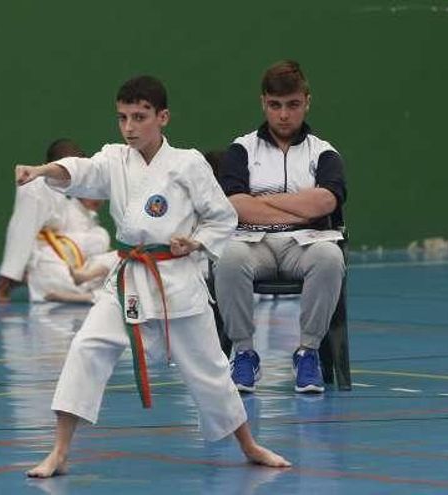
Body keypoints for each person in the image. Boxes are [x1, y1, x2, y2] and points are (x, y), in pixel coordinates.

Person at [15, 75, 290, 478]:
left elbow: (223, 217)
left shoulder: (188, 164)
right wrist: (41, 170)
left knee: (211, 368)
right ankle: (58, 451)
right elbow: (80, 170)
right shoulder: (113, 159)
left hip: (178, 281)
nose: (129, 127)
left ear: (163, 118)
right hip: (128, 278)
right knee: (86, 347)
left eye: (139, 117)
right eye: (123, 117)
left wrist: (194, 244)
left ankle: (249, 445)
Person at [214, 60, 346, 394]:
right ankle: (244, 353)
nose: (284, 115)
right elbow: (233, 205)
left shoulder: (325, 153)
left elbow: (326, 203)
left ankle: (308, 352)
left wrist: (262, 201)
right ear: (263, 103)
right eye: (275, 106)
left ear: (307, 102)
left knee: (330, 258)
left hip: (305, 246)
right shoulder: (241, 149)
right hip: (252, 245)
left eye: (292, 105)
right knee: (227, 258)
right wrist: (299, 205)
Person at [0, 139, 113, 303]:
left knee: (100, 237)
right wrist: (10, 273)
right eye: (64, 168)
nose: (70, 172)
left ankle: (90, 285)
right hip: (46, 257)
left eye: (74, 167)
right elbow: (23, 227)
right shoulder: (36, 186)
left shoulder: (75, 193)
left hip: (68, 255)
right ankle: (32, 278)